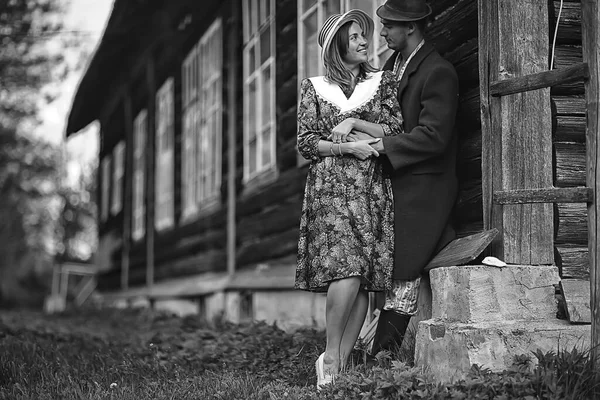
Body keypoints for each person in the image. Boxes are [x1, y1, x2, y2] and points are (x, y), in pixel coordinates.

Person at [294, 9, 403, 389]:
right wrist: (349, 149)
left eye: (364, 35)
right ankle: (332, 354)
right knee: (348, 268)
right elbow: (306, 142)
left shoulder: (382, 82)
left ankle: (336, 364)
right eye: (355, 36)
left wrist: (355, 124)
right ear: (338, 44)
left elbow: (394, 128)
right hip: (330, 187)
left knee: (363, 275)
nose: (364, 42)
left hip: (371, 186)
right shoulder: (313, 87)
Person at [348, 0, 460, 355]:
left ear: (411, 27)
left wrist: (378, 145)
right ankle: (370, 353)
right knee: (373, 266)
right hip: (393, 183)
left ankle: (383, 359)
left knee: (403, 271)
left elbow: (433, 136)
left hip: (424, 189)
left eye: (389, 26)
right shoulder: (394, 66)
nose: (381, 33)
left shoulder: (438, 71)